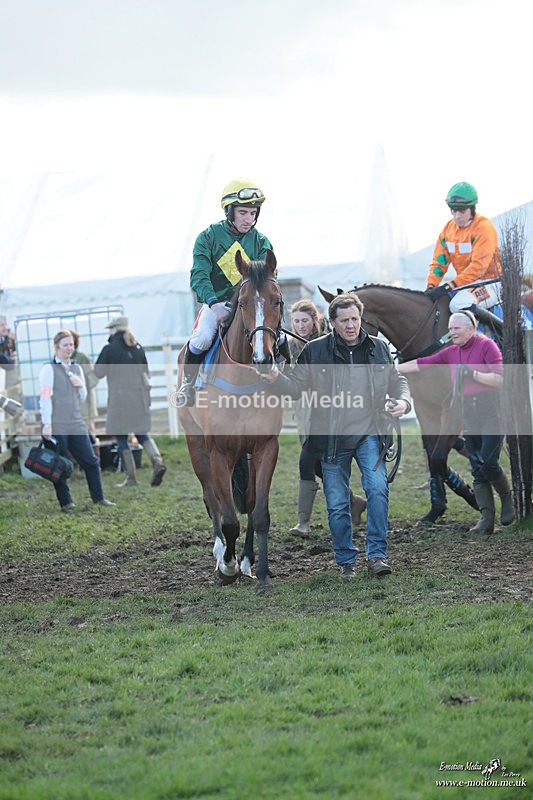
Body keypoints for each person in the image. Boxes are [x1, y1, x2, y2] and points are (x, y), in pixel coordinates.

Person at [267, 293, 411, 578]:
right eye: (344, 320)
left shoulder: (379, 348)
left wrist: (404, 402)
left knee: (378, 489)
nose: (351, 325)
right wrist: (274, 378)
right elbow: (296, 388)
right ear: (332, 322)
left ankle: (377, 556)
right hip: (331, 440)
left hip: (371, 433)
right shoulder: (315, 351)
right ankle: (346, 561)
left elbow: (397, 382)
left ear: (361, 319)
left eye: (355, 319)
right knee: (336, 502)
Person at [398, 310, 514, 534]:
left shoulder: (487, 346)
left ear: (471, 328)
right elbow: (423, 363)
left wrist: (472, 374)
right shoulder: (451, 352)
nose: (452, 333)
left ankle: (507, 499)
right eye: (450, 329)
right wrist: (391, 368)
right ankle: (486, 519)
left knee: (489, 462)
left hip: (491, 412)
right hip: (469, 414)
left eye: (456, 329)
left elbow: (499, 379)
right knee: (477, 468)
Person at [175, 178, 278, 407]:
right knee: (202, 337)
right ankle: (188, 385)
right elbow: (198, 275)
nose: (248, 219)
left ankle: (282, 382)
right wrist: (213, 304)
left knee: (275, 338)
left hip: (251, 305)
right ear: (229, 211)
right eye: (243, 212)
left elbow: (269, 280)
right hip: (216, 303)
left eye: (253, 213)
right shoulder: (208, 238)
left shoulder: (261, 242)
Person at [287, 299, 367, 537]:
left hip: (329, 411)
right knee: (319, 465)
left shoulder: (327, 343)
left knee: (309, 461)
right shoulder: (290, 346)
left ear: (315, 321)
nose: (301, 326)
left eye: (305, 320)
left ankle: (303, 523)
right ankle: (354, 501)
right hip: (305, 410)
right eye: (296, 321)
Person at [39, 330, 115, 512]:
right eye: (65, 345)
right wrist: (47, 423)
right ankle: (66, 503)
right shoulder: (48, 369)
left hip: (76, 421)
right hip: (57, 423)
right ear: (57, 346)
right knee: (60, 464)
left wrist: (81, 385)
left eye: (71, 344)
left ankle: (99, 498)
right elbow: (45, 398)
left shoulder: (77, 368)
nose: (69, 348)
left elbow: (82, 398)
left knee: (90, 460)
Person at [94, 315, 167, 488]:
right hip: (139, 397)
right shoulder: (137, 347)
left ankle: (131, 478)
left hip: (119, 399)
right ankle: (157, 462)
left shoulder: (109, 348)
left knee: (121, 437)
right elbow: (145, 372)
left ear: (114, 329)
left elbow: (98, 372)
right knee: (142, 435)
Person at [425, 182, 502, 315]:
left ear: (472, 209)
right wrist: (431, 286)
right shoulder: (448, 229)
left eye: (462, 210)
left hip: (491, 283)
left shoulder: (484, 228)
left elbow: (478, 268)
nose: (457, 216)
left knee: (458, 304)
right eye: (454, 210)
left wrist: (449, 286)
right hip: (465, 284)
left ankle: (488, 334)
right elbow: (439, 263)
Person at [70, 331, 99, 438]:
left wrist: (81, 386)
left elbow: (93, 377)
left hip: (85, 404)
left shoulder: (81, 357)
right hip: (68, 406)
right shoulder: (59, 359)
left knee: (89, 433)